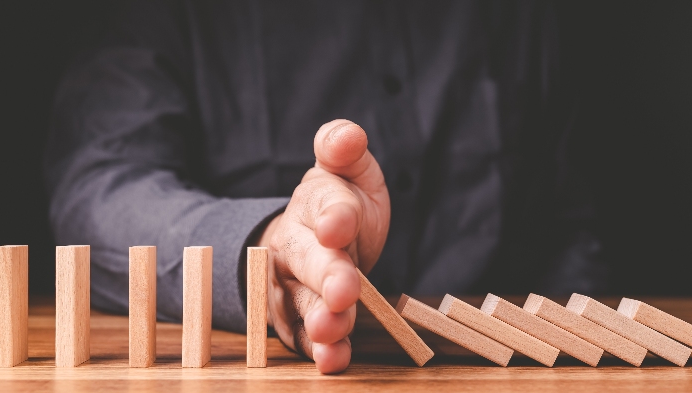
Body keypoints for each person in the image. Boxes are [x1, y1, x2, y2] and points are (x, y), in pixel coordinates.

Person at [44, 1, 606, 374]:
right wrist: (266, 252)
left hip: (496, 389)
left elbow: (567, 221)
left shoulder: (520, 18)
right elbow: (98, 186)